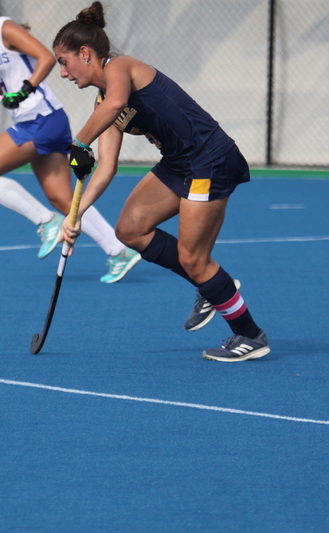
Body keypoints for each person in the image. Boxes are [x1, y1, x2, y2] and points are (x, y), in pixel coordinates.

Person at [52, 2, 270, 361]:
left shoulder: (119, 67)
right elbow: (106, 167)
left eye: (64, 61)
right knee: (130, 229)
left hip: (208, 159)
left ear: (86, 53)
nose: (62, 73)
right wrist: (75, 214)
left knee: (192, 257)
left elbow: (117, 103)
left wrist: (77, 143)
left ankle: (250, 335)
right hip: (179, 163)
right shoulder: (102, 101)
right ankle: (214, 287)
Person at [0, 0, 140, 283]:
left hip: (40, 119)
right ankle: (119, 251)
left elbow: (45, 56)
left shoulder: (5, 28)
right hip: (41, 121)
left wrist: (26, 88)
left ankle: (46, 222)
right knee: (62, 198)